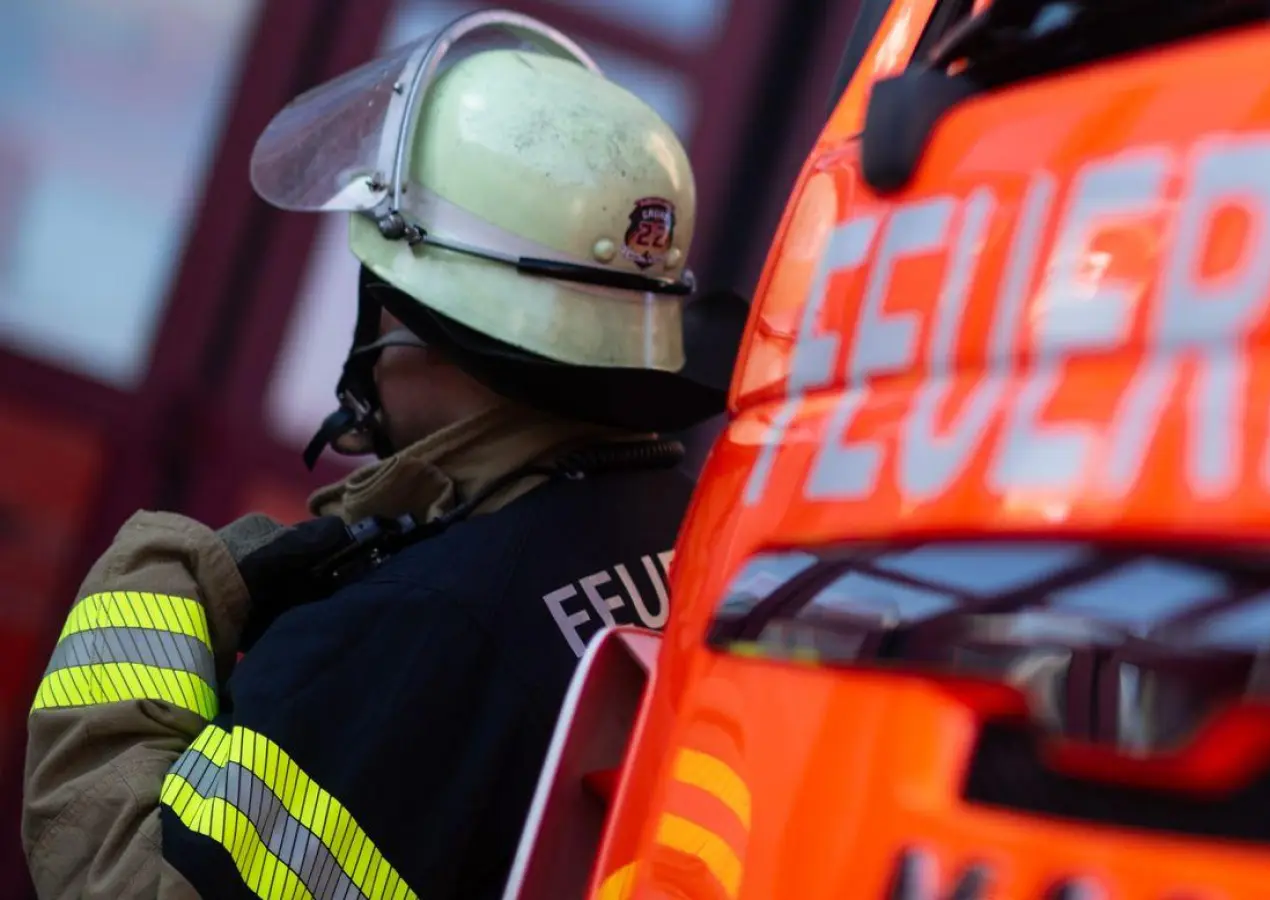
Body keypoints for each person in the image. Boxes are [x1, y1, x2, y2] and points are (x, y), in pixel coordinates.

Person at [19, 11, 744, 899]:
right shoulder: (688, 520)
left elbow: (128, 884)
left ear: (420, 322)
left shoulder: (415, 627)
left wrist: (156, 581)